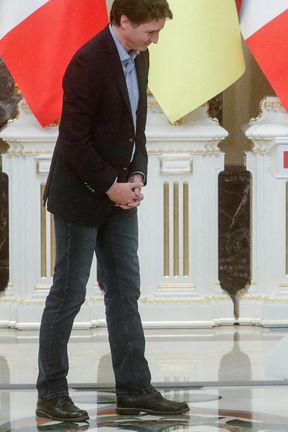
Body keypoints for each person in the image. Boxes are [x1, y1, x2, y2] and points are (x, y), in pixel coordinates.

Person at [37, 0, 188, 422]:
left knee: (124, 292)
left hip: (121, 194)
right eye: (150, 31)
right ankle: (51, 393)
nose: (155, 39)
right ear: (124, 21)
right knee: (68, 295)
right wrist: (110, 187)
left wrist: (137, 174)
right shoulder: (87, 62)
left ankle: (135, 388)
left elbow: (135, 127)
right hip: (81, 197)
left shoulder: (140, 57)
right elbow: (73, 142)